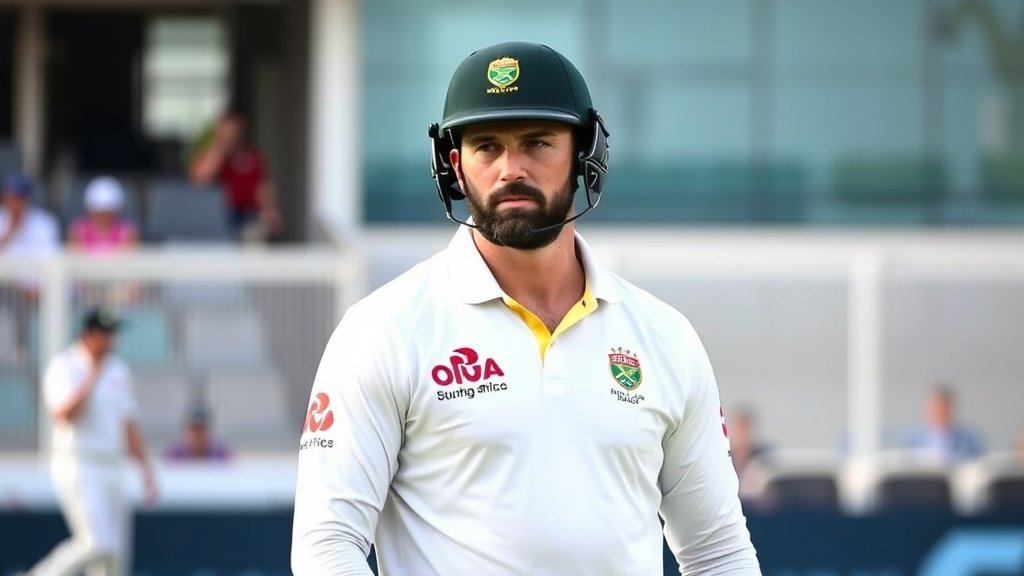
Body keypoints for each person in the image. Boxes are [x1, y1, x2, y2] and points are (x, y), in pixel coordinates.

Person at [292, 42, 760, 575]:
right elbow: (327, 547)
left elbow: (717, 550)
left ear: (586, 154)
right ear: (454, 167)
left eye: (537, 142)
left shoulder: (665, 336)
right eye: (486, 146)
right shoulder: (383, 330)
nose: (510, 169)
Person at [24, 307, 157, 576]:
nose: (110, 340)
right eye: (104, 334)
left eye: (112, 334)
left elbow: (127, 423)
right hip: (79, 464)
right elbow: (64, 415)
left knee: (115, 558)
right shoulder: (64, 366)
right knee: (96, 543)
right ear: (88, 335)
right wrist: (91, 377)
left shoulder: (119, 370)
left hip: (113, 465)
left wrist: (145, 468)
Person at [188, 108, 282, 241]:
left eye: (235, 131)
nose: (231, 136)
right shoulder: (206, 155)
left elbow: (263, 187)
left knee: (254, 236)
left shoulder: (254, 157)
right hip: (216, 215)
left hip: (248, 216)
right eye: (227, 131)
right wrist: (219, 148)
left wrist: (269, 209)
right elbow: (200, 181)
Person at [0, 173, 60, 361]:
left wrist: (35, 287)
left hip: (35, 290)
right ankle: (19, 349)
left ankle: (21, 350)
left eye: (20, 197)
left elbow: (51, 263)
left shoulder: (44, 223)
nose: (15, 202)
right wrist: (10, 230)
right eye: (11, 197)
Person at [905, 384, 984, 464]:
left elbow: (977, 464)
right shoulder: (914, 439)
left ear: (951, 408)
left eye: (943, 406)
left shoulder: (969, 440)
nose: (939, 411)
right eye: (935, 406)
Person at [68, 176, 138, 254]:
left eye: (107, 213)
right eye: (98, 213)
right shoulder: (79, 229)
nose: (102, 218)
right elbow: (73, 258)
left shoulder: (127, 230)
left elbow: (129, 259)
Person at [163, 400, 232, 462]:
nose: (197, 434)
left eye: (201, 428)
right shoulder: (174, 455)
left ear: (209, 429)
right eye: (194, 428)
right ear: (185, 429)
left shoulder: (221, 454)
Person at [728, 406, 771, 502]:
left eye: (744, 429)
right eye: (738, 429)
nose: (741, 434)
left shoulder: (764, 458)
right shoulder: (725, 458)